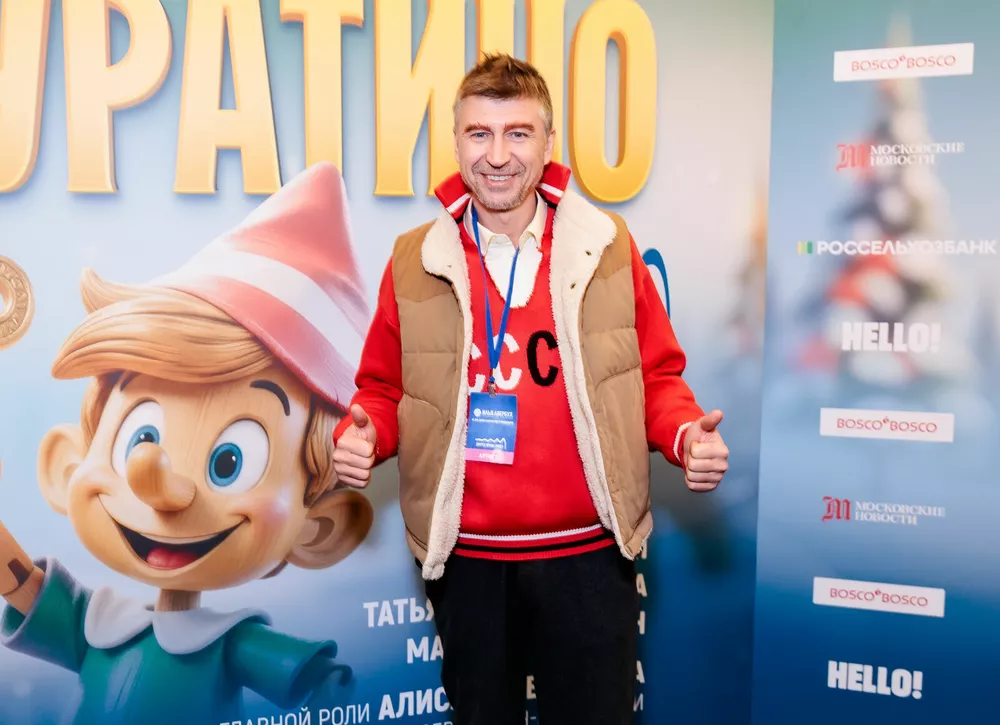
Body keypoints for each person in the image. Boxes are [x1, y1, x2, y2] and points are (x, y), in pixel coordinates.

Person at [332, 53, 729, 725]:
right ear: (456, 142)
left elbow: (655, 377)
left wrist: (686, 434)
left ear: (548, 143)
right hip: (469, 562)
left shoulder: (606, 243)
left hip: (588, 557)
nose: (497, 155)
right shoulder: (414, 259)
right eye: (479, 134)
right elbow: (382, 388)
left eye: (517, 133)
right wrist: (363, 434)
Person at [0, 162, 372, 725]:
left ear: (319, 528)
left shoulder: (228, 644)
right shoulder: (97, 625)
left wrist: (334, 694)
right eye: (138, 439)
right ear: (67, 466)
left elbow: (324, 682)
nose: (158, 483)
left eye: (231, 461)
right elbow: (21, 585)